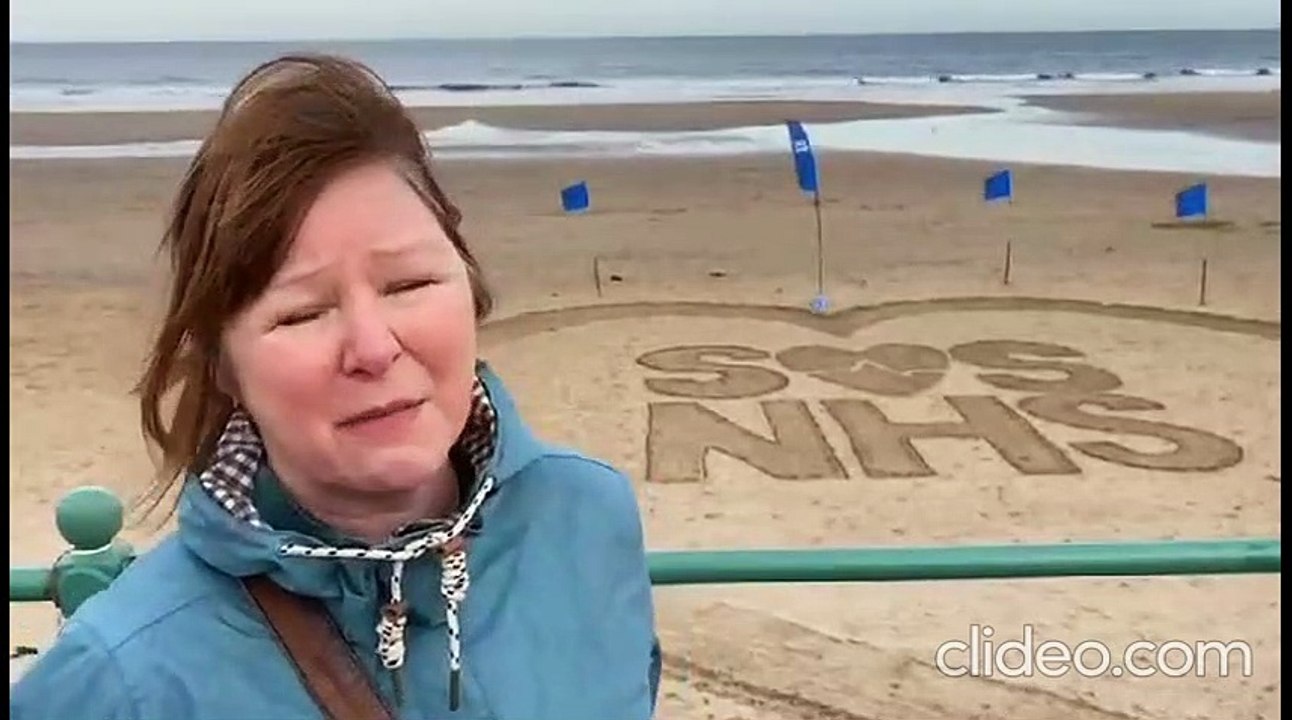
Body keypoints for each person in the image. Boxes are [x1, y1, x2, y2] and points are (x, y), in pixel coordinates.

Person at [11, 53, 662, 720]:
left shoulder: (586, 518)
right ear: (223, 364)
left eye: (409, 284)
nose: (374, 349)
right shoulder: (126, 678)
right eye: (303, 313)